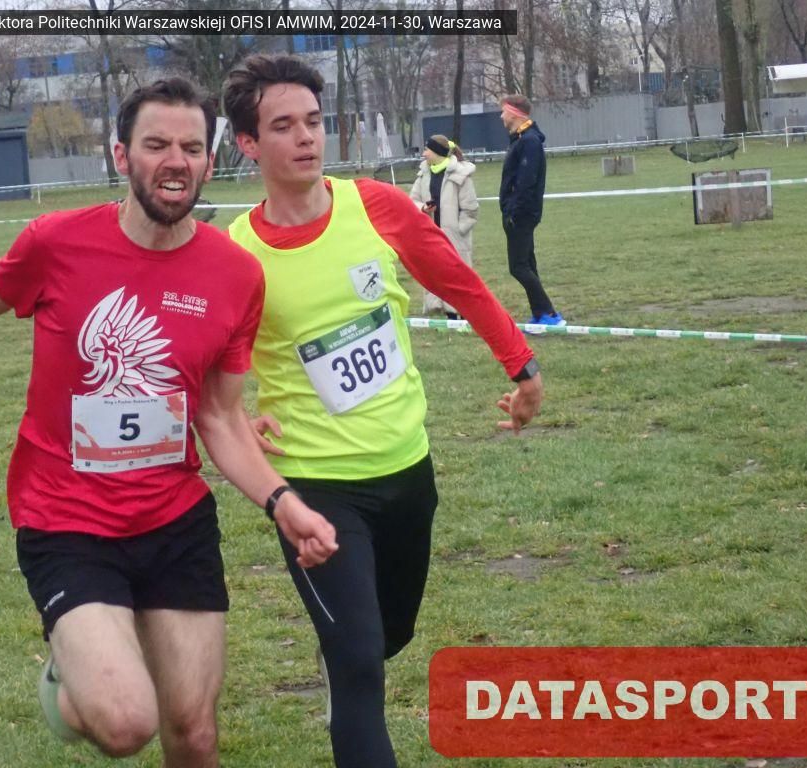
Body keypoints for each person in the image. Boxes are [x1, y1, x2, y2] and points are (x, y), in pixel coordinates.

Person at [0, 77, 337, 767]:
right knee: (127, 723)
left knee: (194, 730)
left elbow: (219, 417)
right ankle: (72, 681)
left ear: (210, 161)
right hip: (66, 520)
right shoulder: (55, 242)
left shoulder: (236, 274)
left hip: (174, 521)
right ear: (121, 155)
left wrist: (283, 503)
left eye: (191, 147)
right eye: (157, 145)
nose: (176, 161)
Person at [222, 54, 544, 768]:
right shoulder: (235, 253)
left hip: (405, 469)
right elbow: (209, 364)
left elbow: (459, 284)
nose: (306, 137)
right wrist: (233, 416)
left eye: (313, 121)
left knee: (389, 635)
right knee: (360, 659)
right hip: (313, 485)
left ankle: (349, 657)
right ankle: (346, 671)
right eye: (283, 126)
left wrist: (522, 369)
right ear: (248, 144)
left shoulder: (375, 207)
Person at [499, 94, 566, 328]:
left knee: (518, 267)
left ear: (514, 113)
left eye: (503, 111)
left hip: (522, 214)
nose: (501, 116)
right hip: (517, 212)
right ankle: (540, 314)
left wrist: (513, 211)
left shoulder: (529, 142)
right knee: (527, 264)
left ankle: (550, 313)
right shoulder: (520, 139)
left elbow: (526, 182)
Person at [409, 134, 479, 320]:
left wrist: (459, 229)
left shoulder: (461, 175)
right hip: (432, 235)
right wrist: (423, 208)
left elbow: (471, 209)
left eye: (427, 150)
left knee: (458, 276)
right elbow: (412, 200)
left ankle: (462, 313)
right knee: (436, 273)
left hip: (455, 237)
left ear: (437, 152)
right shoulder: (423, 174)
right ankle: (443, 311)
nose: (424, 154)